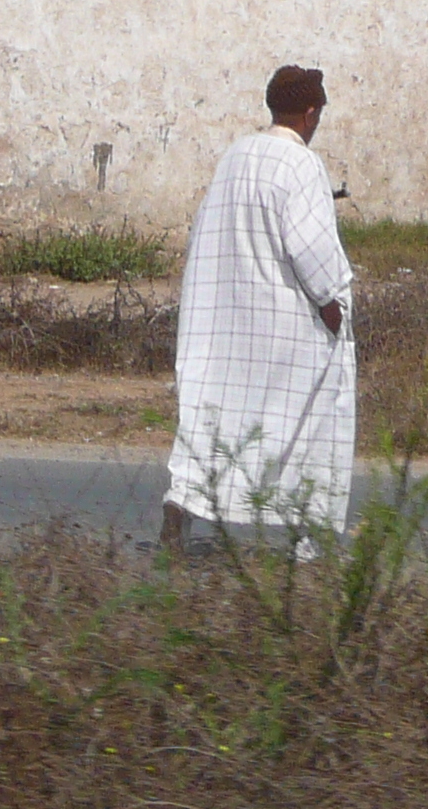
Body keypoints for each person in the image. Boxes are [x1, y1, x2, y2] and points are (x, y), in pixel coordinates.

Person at [161, 63, 354, 548]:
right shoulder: (301, 163)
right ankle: (309, 543)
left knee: (213, 421)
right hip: (287, 326)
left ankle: (181, 505)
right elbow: (310, 248)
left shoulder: (237, 153)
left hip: (227, 321)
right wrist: (332, 307)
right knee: (307, 421)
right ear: (311, 113)